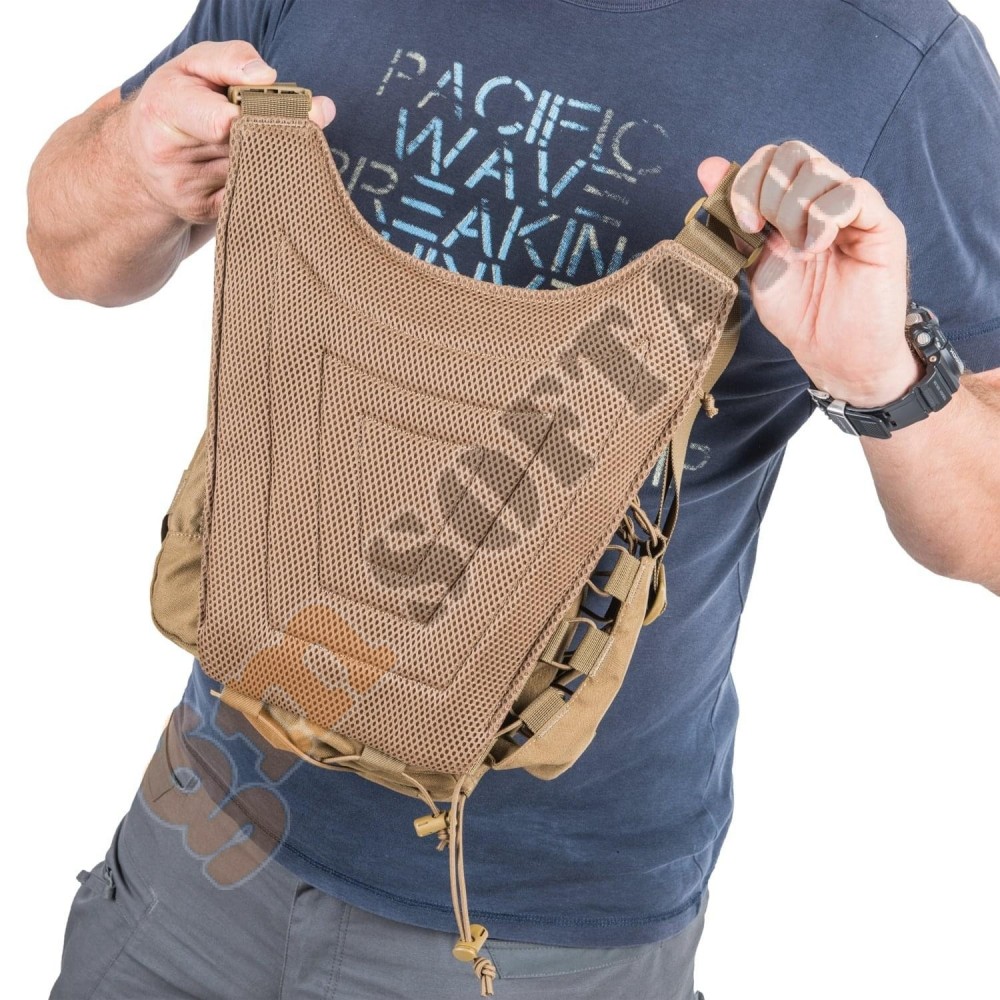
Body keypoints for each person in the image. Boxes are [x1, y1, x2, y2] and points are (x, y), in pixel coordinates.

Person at [27, 1, 1000, 997]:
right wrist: (133, 162)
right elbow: (66, 250)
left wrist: (885, 376)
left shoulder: (892, 58)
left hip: (534, 931)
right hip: (201, 823)